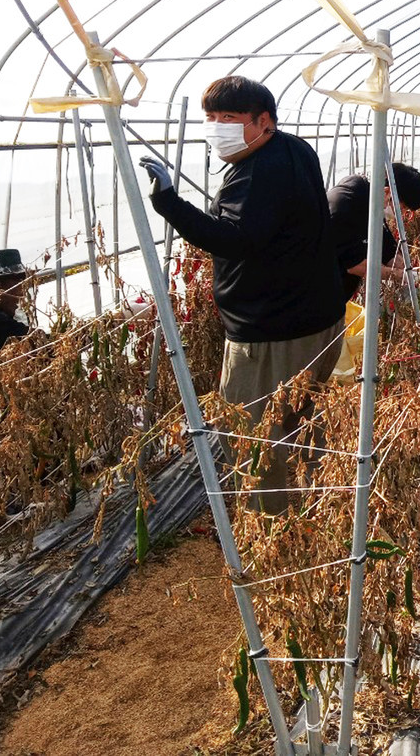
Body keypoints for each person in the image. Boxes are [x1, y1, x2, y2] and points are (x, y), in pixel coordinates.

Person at [139, 76, 346, 513]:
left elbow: (234, 239)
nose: (216, 127)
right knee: (301, 420)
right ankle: (319, 508)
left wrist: (170, 203)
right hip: (317, 319)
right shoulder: (295, 149)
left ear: (262, 120)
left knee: (250, 437)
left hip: (271, 333)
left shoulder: (257, 171)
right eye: (211, 118)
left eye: (228, 118)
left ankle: (268, 530)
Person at [328, 163, 420, 299]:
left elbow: (386, 248)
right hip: (313, 297)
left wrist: (409, 270)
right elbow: (356, 265)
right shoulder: (345, 204)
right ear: (387, 192)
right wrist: (401, 276)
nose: (402, 214)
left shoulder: (371, 203)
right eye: (403, 207)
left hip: (334, 300)